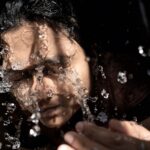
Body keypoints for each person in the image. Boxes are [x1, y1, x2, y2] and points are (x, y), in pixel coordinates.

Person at [0, 0, 150, 149]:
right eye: (21, 76)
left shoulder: (123, 84)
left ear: (88, 51)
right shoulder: (9, 115)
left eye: (53, 67)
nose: (42, 93)